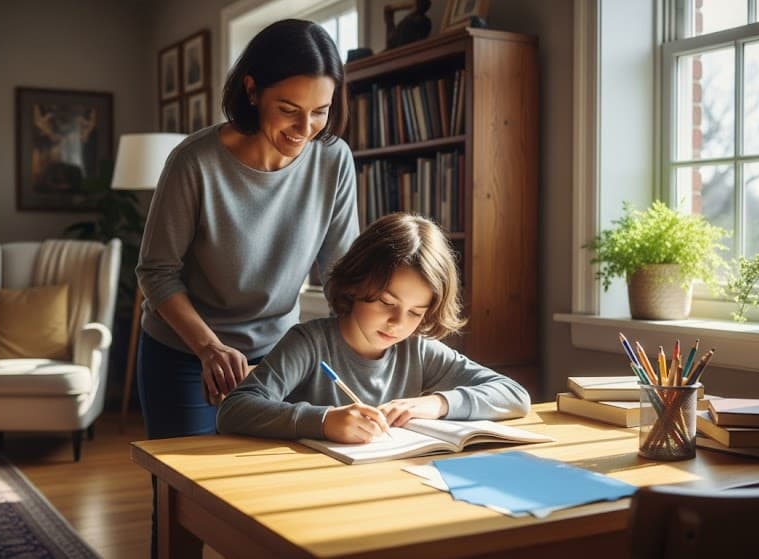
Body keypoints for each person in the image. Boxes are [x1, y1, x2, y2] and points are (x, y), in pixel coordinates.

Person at [136, 18, 359, 441]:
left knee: (271, 476)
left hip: (280, 354)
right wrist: (208, 347)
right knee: (186, 478)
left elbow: (341, 272)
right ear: (253, 91)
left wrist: (361, 344)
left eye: (320, 112)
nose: (304, 130)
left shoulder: (334, 160)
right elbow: (156, 272)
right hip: (186, 352)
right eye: (289, 110)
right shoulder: (194, 162)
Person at [217, 213, 531, 442]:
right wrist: (323, 421)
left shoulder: (417, 350)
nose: (398, 323)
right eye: (386, 302)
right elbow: (234, 410)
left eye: (416, 312)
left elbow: (515, 395)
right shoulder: (309, 343)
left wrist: (438, 403)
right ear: (355, 284)